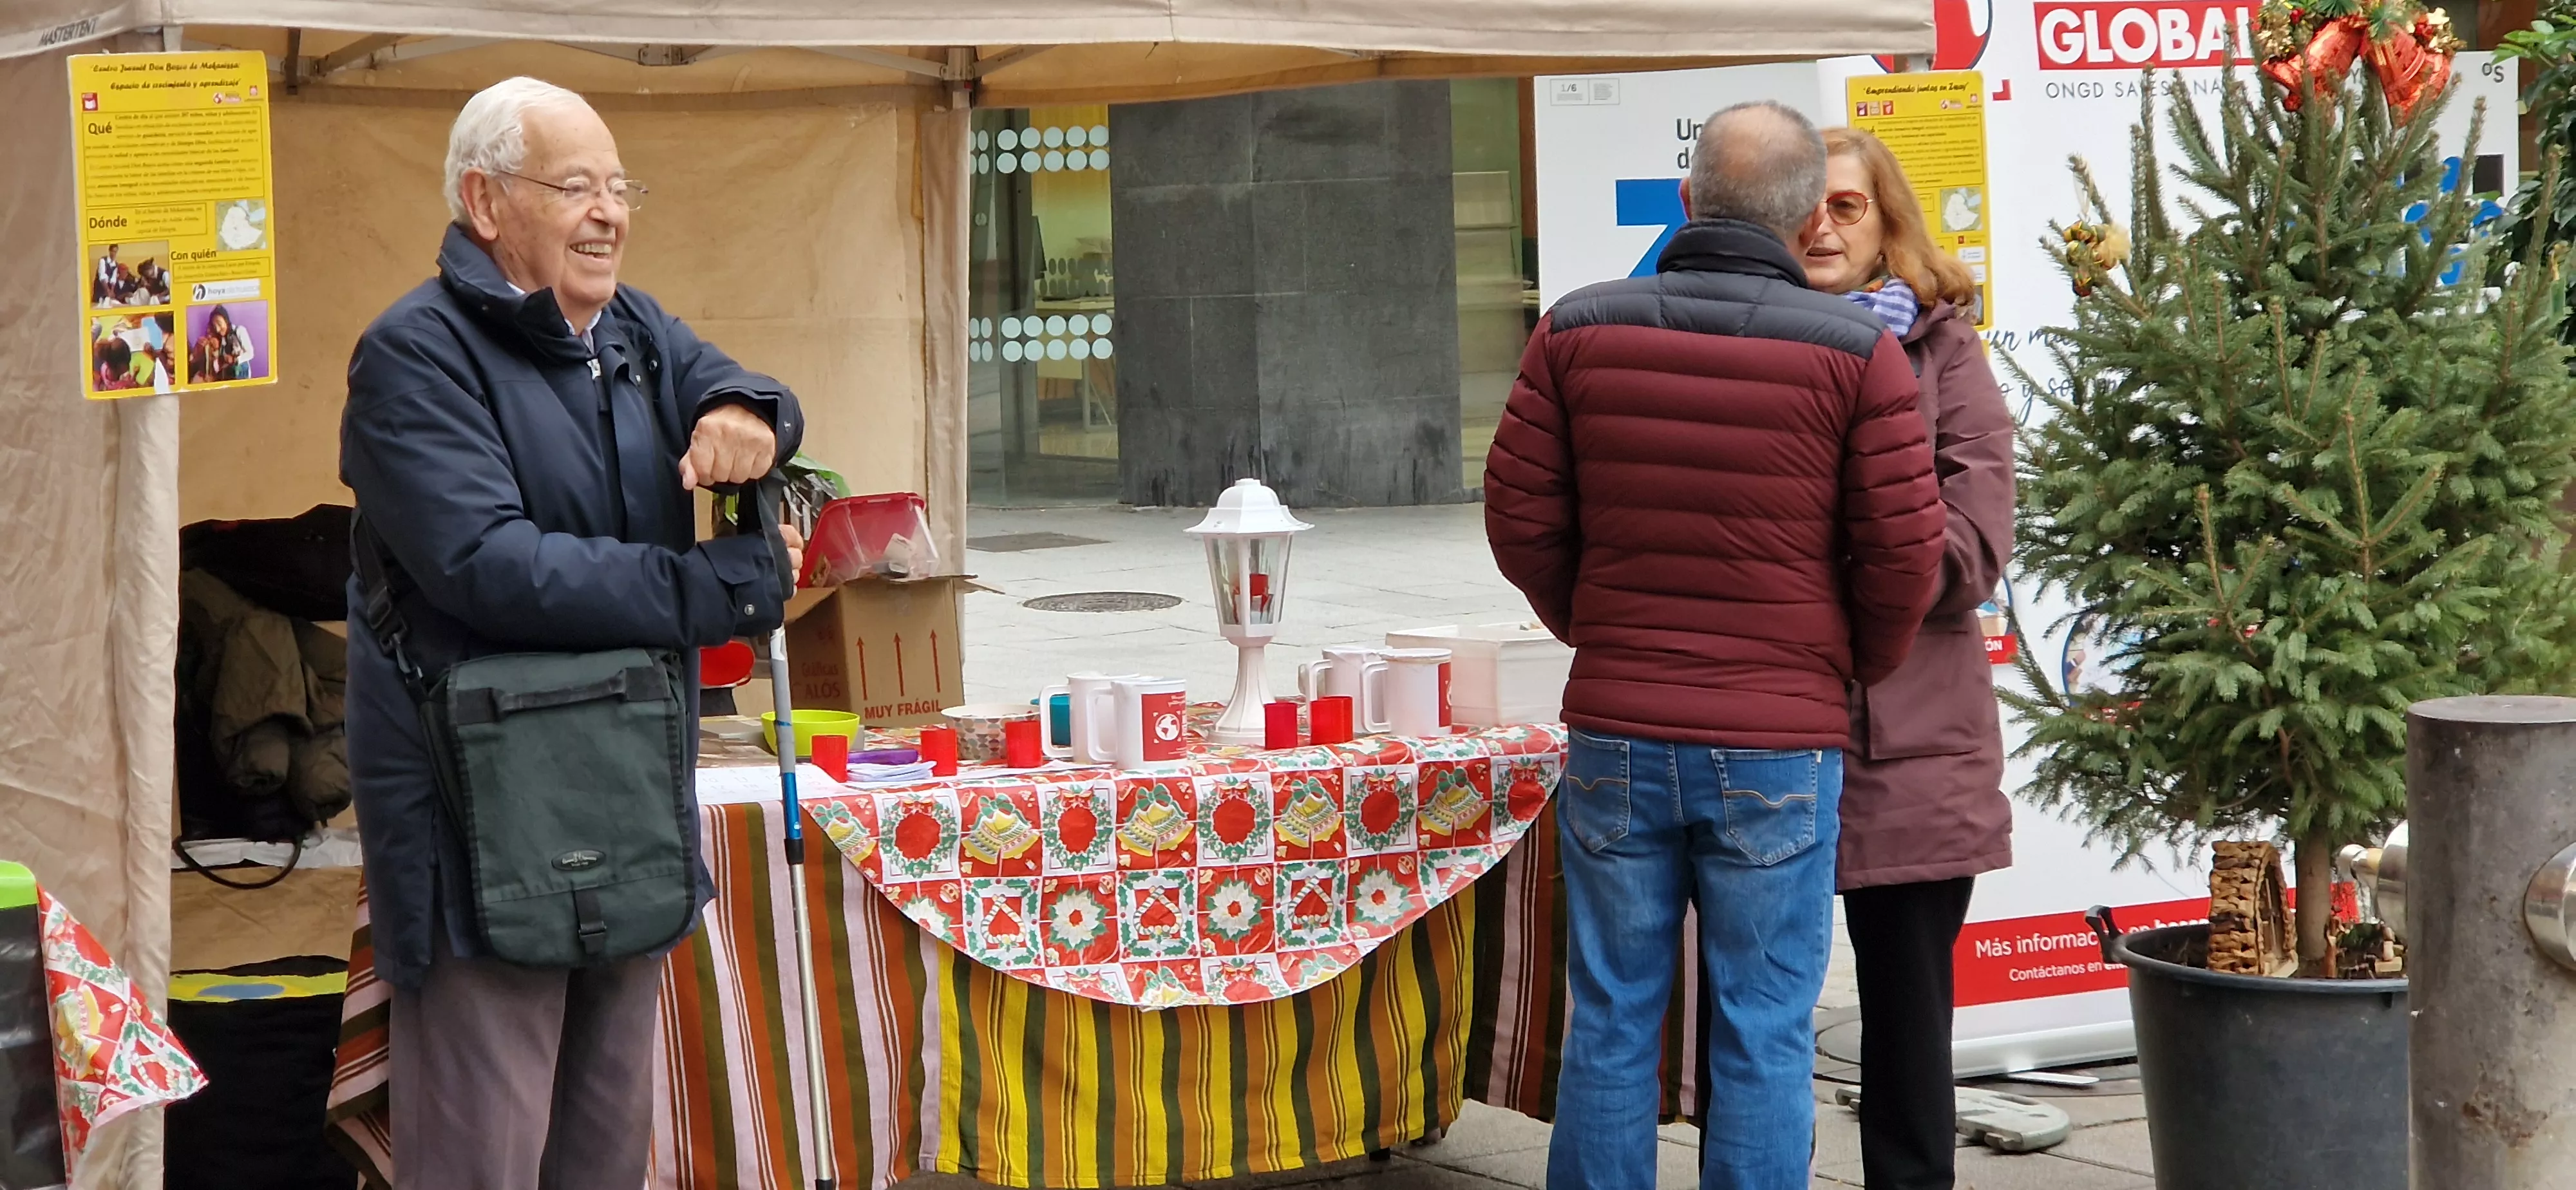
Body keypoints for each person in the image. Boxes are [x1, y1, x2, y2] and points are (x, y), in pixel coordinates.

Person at [340, 76, 807, 1189]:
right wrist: (714, 591)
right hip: (479, 803)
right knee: (485, 1148)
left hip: (623, 772)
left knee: (604, 1137)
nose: (610, 213)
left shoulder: (634, 329)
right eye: (576, 187)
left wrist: (751, 414)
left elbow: (746, 394)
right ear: (484, 202)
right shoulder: (413, 353)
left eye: (619, 186)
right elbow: (488, 569)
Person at [1484, 100, 1946, 1190]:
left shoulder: (1576, 328)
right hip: (1781, 745)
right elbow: (1904, 556)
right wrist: (1841, 666)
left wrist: (1595, 627)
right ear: (1802, 223)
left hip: (1619, 730)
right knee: (1765, 1031)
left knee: (1609, 1018)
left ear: (1688, 201)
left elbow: (1519, 519)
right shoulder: (1857, 353)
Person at [1801, 126, 2016, 1190]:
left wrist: (1830, 547)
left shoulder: (1946, 352)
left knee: (1905, 1034)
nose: (1822, 225)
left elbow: (1972, 551)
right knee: (1745, 1024)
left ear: (1890, 224)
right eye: (1804, 205)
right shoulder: (1748, 340)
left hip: (1913, 740)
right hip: (1763, 734)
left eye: (1847, 206)